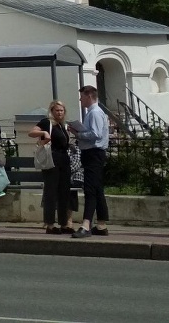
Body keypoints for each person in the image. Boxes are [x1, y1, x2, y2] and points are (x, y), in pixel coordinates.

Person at [29, 101, 75, 234]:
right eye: (57, 110)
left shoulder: (63, 126)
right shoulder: (46, 122)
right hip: (51, 159)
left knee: (64, 192)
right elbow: (31, 132)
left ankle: (64, 223)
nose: (59, 113)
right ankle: (50, 224)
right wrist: (43, 133)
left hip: (64, 160)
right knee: (51, 192)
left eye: (61, 110)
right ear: (52, 111)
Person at [71, 85, 110, 238]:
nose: (80, 99)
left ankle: (86, 224)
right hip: (93, 154)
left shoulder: (94, 113)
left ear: (89, 96)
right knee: (97, 188)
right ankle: (101, 225)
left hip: (94, 153)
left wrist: (78, 133)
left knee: (90, 189)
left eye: (81, 96)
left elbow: (96, 134)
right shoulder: (93, 112)